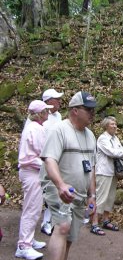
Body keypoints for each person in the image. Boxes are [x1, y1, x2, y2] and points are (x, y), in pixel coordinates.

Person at [40, 91, 97, 260]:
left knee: (71, 236)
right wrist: (60, 185)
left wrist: (92, 195)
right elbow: (49, 160)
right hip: (58, 188)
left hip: (79, 192)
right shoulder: (59, 130)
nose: (92, 114)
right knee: (63, 227)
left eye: (93, 110)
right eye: (88, 110)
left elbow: (92, 168)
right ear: (75, 110)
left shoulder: (90, 135)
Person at [15, 100, 53, 260]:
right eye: (46, 111)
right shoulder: (35, 128)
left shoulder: (33, 127)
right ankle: (24, 245)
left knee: (33, 208)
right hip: (31, 171)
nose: (48, 114)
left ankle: (29, 239)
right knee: (31, 209)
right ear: (40, 114)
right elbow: (42, 151)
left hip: (32, 171)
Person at [90, 116, 123, 236]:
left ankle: (105, 220)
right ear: (106, 126)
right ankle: (94, 224)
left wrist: (119, 152)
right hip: (103, 171)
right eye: (112, 124)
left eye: (115, 124)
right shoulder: (102, 138)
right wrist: (119, 152)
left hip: (113, 172)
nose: (115, 126)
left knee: (110, 198)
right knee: (101, 198)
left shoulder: (115, 138)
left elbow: (120, 150)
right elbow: (113, 152)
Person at [41, 88, 64, 236]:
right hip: (42, 160)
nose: (60, 102)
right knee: (41, 193)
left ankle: (47, 222)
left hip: (55, 158)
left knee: (53, 191)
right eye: (57, 99)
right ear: (49, 102)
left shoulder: (59, 116)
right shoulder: (41, 117)